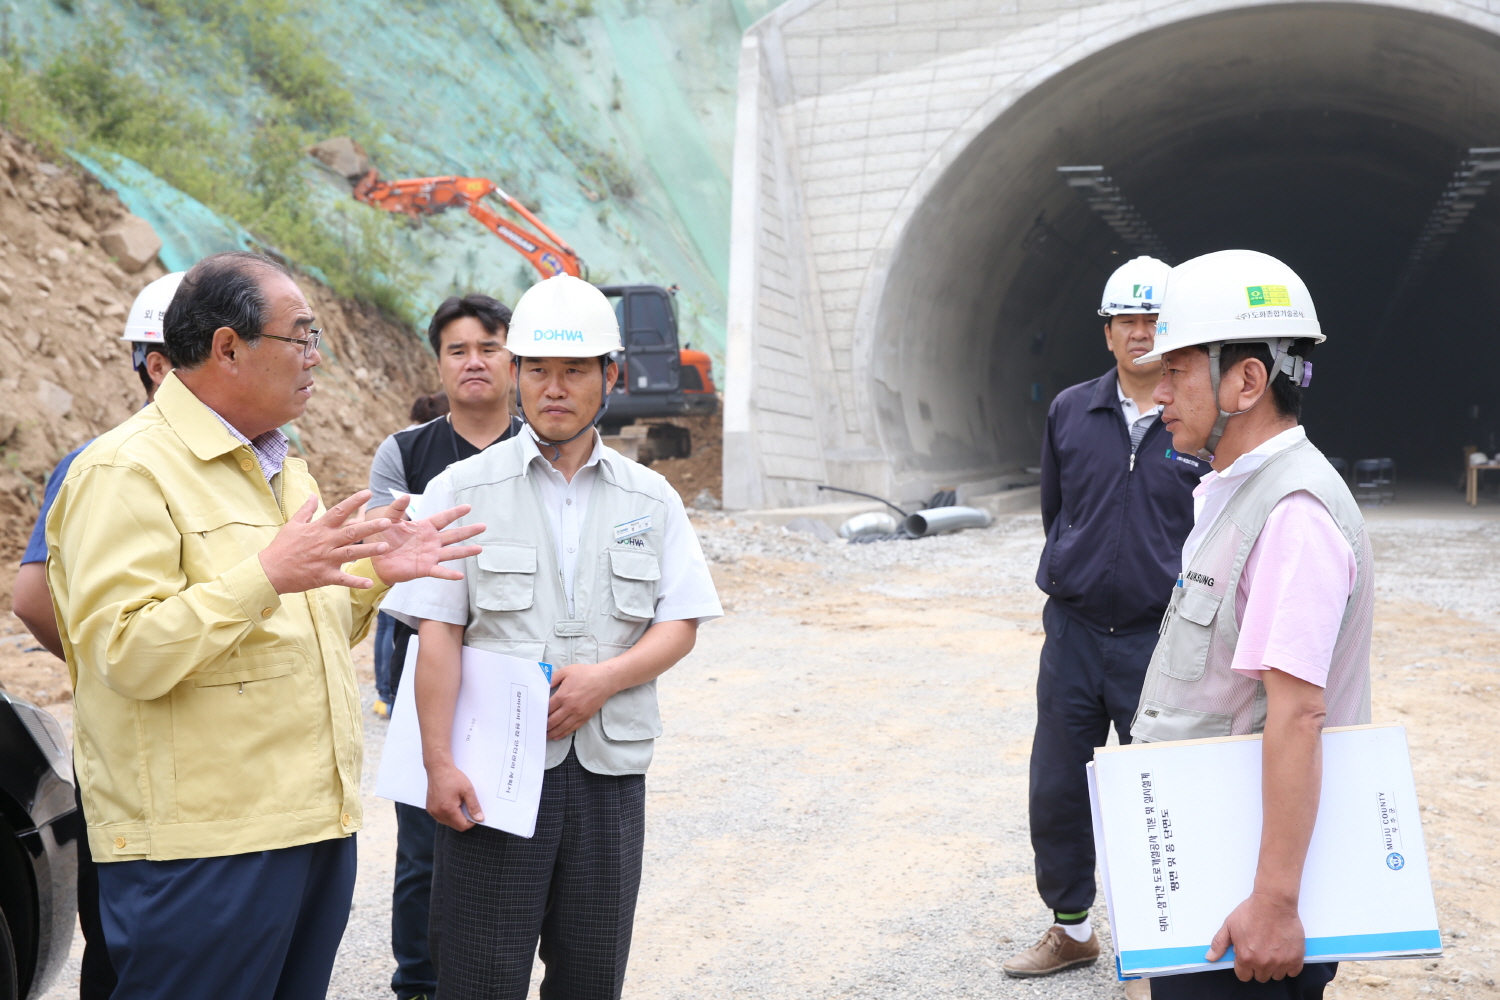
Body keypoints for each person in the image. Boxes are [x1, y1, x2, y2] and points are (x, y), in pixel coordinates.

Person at [44, 251, 486, 1000]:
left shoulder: (284, 467)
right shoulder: (126, 472)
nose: (316, 359)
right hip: (201, 849)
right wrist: (266, 574)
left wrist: (377, 572)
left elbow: (293, 632)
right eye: (301, 337)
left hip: (307, 828)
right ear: (227, 348)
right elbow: (124, 651)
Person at [382, 273, 722, 1000]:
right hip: (494, 779)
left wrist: (608, 676)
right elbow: (435, 639)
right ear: (516, 374)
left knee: (592, 978)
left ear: (611, 376)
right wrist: (438, 764)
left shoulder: (650, 499)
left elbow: (681, 621)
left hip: (607, 779)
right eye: (538, 369)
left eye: (575, 371)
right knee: (480, 980)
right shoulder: (459, 493)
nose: (555, 388)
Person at [1129, 249, 1370, 999]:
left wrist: (1274, 902)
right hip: (1211, 871)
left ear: (1247, 379)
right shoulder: (1236, 493)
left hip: (1247, 913)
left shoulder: (1293, 514)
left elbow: (1298, 713)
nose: (1155, 387)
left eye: (1176, 370)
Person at [1005, 256, 1204, 988]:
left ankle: (1177, 937)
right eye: (1128, 320)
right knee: (1058, 787)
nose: (1141, 333)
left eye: (1154, 321)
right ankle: (1073, 931)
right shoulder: (1070, 410)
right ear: (1108, 331)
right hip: (1075, 632)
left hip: (1162, 639)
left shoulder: (1198, 421)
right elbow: (1057, 513)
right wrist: (1077, 572)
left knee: (1165, 788)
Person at [12, 270, 184, 1000]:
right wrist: (113, 660)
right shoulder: (103, 463)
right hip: (141, 761)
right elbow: (32, 597)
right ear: (158, 365)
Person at [367, 294, 525, 1000]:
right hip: (425, 665)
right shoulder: (406, 454)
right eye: (458, 350)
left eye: (488, 347)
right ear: (440, 362)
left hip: (519, 673)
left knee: (515, 838)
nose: (474, 362)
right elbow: (381, 553)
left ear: (513, 359)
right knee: (425, 849)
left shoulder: (544, 449)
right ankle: (419, 984)